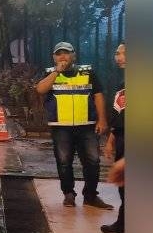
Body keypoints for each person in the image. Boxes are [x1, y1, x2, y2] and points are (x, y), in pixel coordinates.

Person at [35, 42, 113, 209]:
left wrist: (102, 120)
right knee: (64, 161)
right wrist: (57, 72)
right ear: (54, 57)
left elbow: (98, 95)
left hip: (87, 125)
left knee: (92, 161)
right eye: (59, 54)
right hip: (61, 126)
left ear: (74, 55)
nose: (62, 57)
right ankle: (68, 194)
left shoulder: (87, 72)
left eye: (66, 53)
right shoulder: (50, 73)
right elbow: (40, 89)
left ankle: (91, 196)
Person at [101, 43, 126, 233]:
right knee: (124, 186)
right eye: (117, 52)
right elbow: (119, 117)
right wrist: (110, 141)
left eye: (124, 53)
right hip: (122, 138)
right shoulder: (122, 84)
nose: (119, 57)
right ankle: (122, 222)